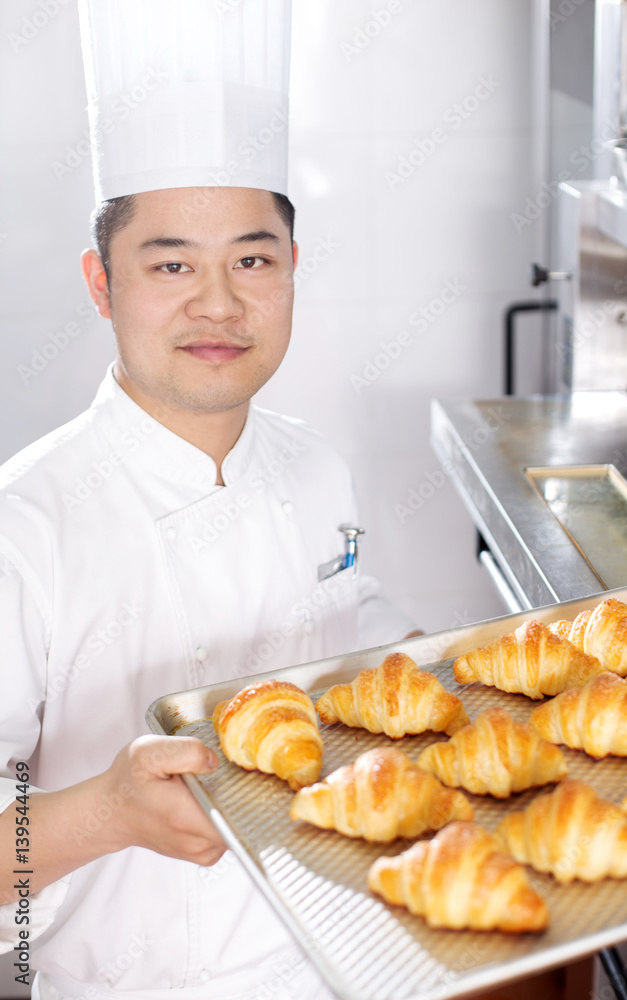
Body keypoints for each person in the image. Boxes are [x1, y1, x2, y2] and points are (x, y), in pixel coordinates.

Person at [0, 157, 418, 1000]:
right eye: (172, 264)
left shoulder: (315, 465)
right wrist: (108, 812)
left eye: (252, 261)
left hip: (347, 964)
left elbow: (348, 615)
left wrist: (412, 665)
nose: (219, 305)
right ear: (101, 283)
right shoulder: (25, 523)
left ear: (292, 269)